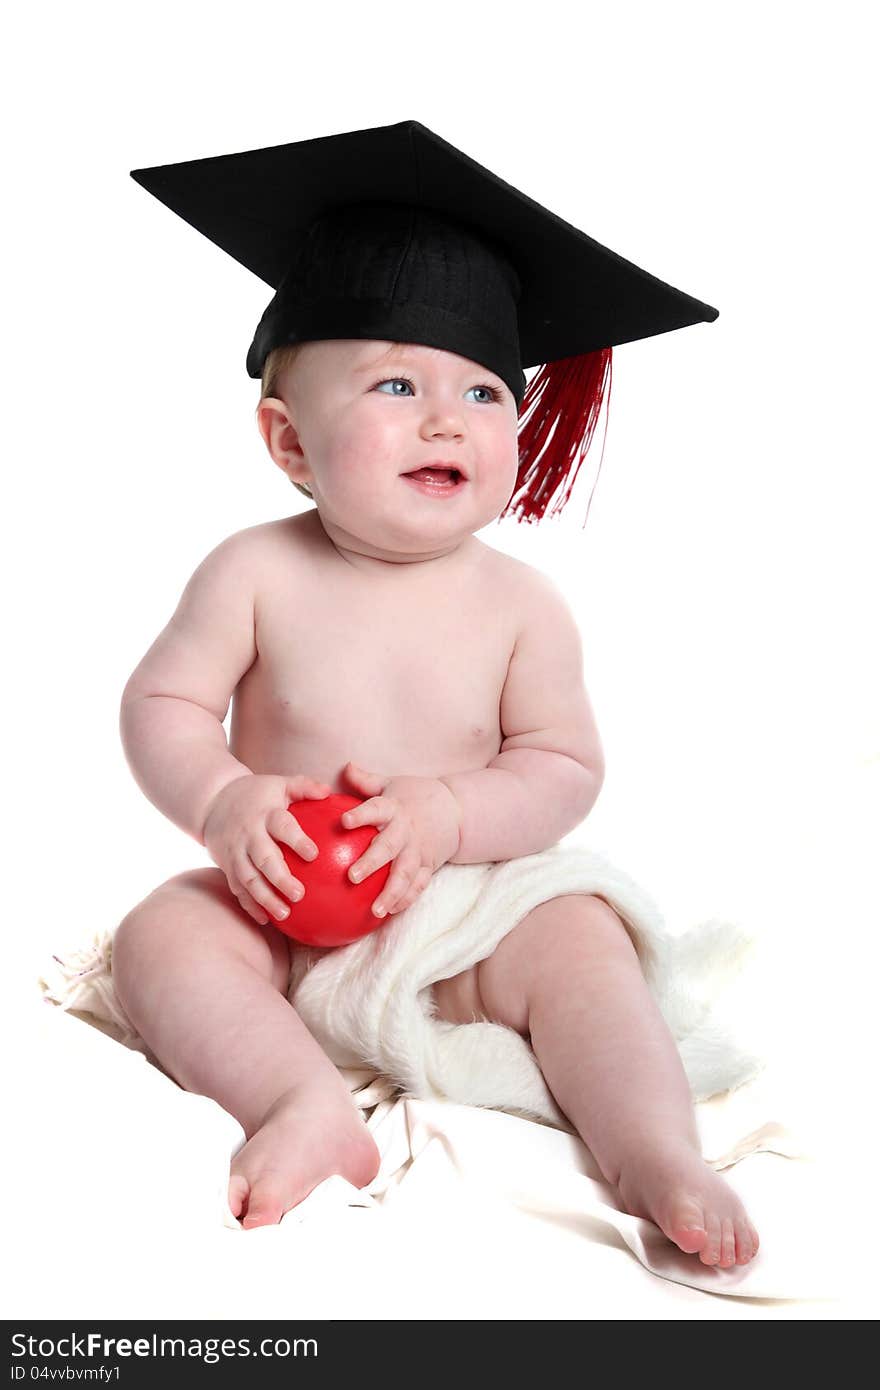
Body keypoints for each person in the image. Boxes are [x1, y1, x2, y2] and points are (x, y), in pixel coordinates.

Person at [108, 121, 759, 1264]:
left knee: (579, 941)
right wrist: (221, 802)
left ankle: (655, 1147)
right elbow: (161, 706)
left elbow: (561, 767)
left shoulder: (519, 604)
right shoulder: (253, 572)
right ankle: (296, 1102)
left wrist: (451, 815)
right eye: (397, 383)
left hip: (468, 908)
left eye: (484, 391)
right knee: (163, 935)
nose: (446, 417)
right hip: (280, 906)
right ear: (290, 443)